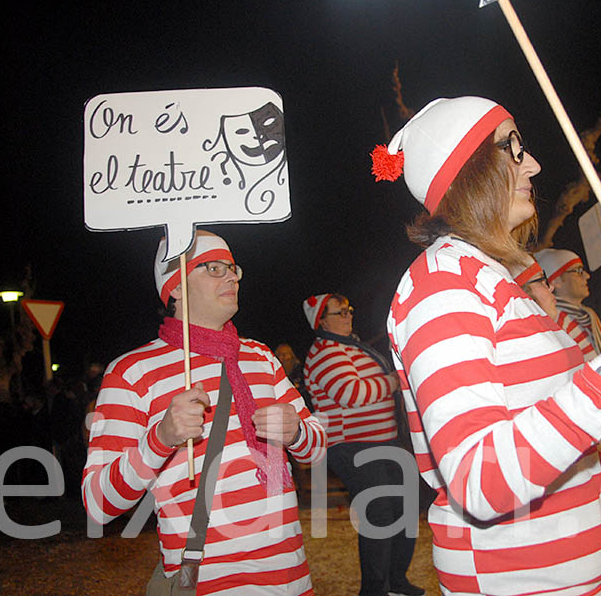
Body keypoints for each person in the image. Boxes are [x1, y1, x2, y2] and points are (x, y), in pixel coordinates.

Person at [373, 95, 601, 595]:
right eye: (512, 147)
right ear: (467, 170)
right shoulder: (443, 286)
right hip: (519, 577)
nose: (532, 163)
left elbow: (543, 423)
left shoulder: (489, 279)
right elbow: (479, 478)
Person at [83, 231, 326, 595]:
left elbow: (317, 446)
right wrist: (160, 439)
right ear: (175, 287)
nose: (231, 277)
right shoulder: (131, 372)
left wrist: (296, 432)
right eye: (213, 268)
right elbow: (98, 505)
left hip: (291, 574)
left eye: (232, 268)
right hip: (208, 583)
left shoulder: (260, 357)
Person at [302, 293, 423, 596]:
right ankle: (373, 590)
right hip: (352, 446)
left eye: (349, 309)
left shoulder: (353, 347)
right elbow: (352, 393)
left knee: (406, 507)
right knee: (380, 514)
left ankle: (396, 579)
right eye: (339, 312)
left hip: (386, 441)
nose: (347, 315)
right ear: (321, 320)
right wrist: (393, 382)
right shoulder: (324, 352)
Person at [535, 250, 601, 529]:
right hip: (592, 432)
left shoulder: (589, 316)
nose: (587, 276)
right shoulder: (553, 321)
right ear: (555, 282)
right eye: (578, 270)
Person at [276, 343, 313, 412]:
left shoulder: (300, 371)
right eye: (279, 355)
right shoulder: (276, 373)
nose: (282, 358)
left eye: (284, 354)